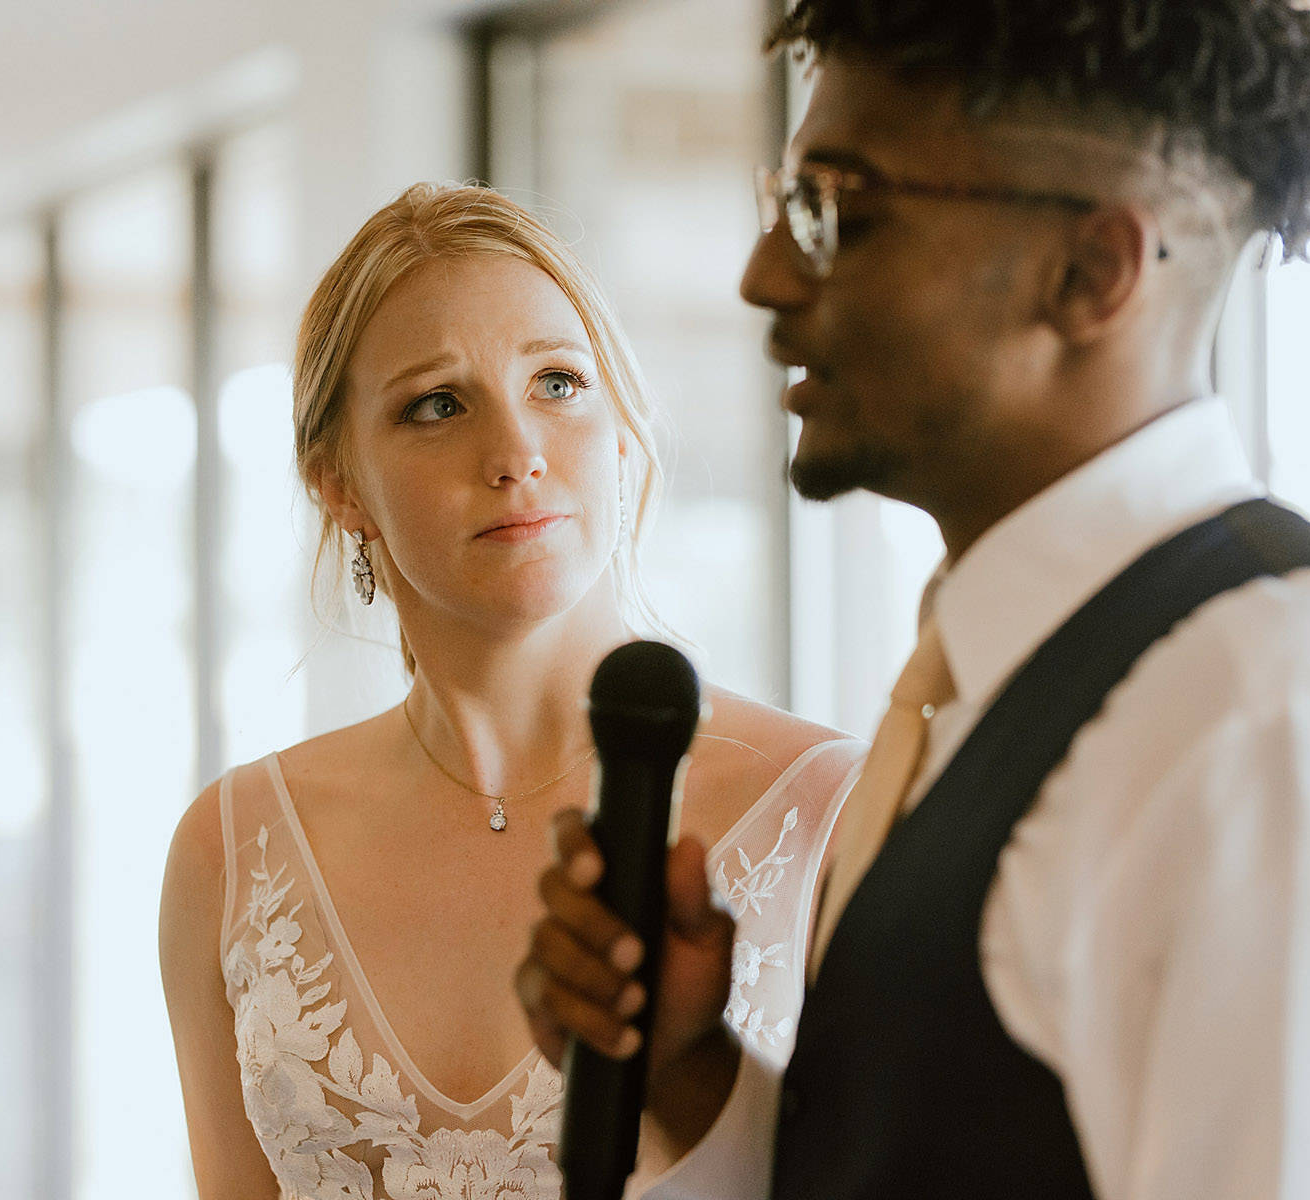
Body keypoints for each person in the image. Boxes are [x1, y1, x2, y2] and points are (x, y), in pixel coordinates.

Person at [517, 2, 1310, 1198]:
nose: (764, 274)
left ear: (1089, 272)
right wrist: (694, 1071)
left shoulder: (1277, 713)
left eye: (838, 208)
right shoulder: (981, 679)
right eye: (784, 199)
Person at [158, 183, 863, 1199]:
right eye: (437, 404)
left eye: (559, 383)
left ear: (623, 430)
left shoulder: (825, 806)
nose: (517, 453)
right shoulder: (230, 853)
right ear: (338, 482)